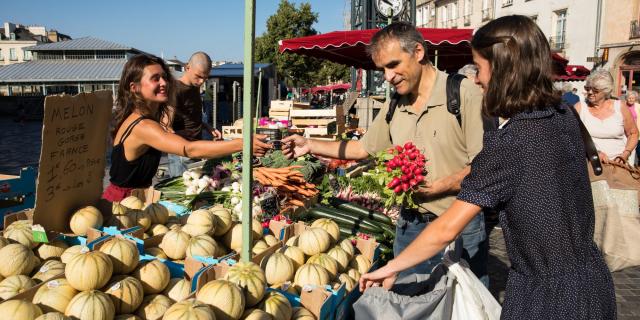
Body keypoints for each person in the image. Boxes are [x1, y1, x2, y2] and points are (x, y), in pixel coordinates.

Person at [359, 15, 616, 319]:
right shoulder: (563, 115)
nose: (477, 79)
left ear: (504, 70)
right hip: (592, 282)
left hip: (547, 298)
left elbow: (446, 229)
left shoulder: (511, 141)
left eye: (479, 68)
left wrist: (390, 267)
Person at [282, 22, 489, 284]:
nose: (388, 77)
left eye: (393, 65)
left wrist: (439, 187)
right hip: (410, 226)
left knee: (463, 306)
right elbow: (362, 148)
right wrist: (310, 144)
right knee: (407, 302)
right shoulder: (395, 104)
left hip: (460, 225)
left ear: (418, 52)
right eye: (383, 70)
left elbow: (484, 166)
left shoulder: (462, 93)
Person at [103, 54, 270, 202]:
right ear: (135, 88)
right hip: (122, 204)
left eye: (164, 77)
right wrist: (244, 143)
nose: (164, 83)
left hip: (137, 199)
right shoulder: (142, 125)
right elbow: (189, 149)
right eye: (155, 78)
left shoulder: (144, 117)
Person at [167, 52, 221, 177]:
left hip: (195, 148)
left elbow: (191, 116)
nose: (201, 81)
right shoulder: (175, 89)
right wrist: (181, 147)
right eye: (198, 76)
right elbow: (166, 126)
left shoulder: (194, 88)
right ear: (187, 67)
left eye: (205, 78)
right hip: (182, 153)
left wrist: (208, 127)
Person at [575, 69, 638, 164]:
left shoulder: (620, 107)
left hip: (618, 165)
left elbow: (633, 133)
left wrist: (626, 154)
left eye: (595, 90)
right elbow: (569, 137)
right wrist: (593, 154)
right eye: (587, 88)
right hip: (588, 164)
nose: (590, 92)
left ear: (606, 91)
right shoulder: (580, 107)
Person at [624, 91, 640, 164]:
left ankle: (631, 165)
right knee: (625, 148)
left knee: (633, 148)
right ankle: (625, 164)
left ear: (635, 99)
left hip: (635, 131)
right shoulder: (623, 106)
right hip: (624, 132)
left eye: (633, 98)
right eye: (629, 98)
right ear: (626, 99)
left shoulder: (638, 106)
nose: (631, 99)